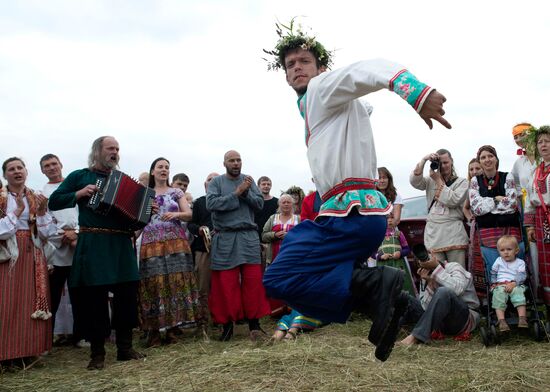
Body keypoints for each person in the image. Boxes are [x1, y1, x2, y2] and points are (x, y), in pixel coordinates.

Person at [262, 20, 451, 361]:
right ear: (285, 75)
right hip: (358, 218)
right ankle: (391, 304)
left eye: (304, 61)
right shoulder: (323, 106)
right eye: (290, 65)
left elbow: (367, 70)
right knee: (318, 278)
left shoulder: (320, 90)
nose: (297, 68)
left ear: (321, 68)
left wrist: (416, 93)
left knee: (280, 275)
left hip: (348, 216)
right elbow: (359, 105)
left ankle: (376, 286)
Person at [48, 136, 145, 370]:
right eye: (110, 148)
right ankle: (98, 353)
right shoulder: (79, 176)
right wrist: (79, 193)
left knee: (126, 295)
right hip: (94, 241)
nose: (115, 152)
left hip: (121, 243)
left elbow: (138, 214)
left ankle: (124, 348)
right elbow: (54, 201)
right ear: (97, 151)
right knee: (95, 299)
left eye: (117, 149)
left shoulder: (122, 181)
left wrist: (145, 214)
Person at [206, 150, 270, 341]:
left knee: (253, 282)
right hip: (225, 237)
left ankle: (254, 325)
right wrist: (237, 192)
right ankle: (227, 327)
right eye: (231, 160)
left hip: (248, 236)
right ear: (224, 163)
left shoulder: (249, 180)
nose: (235, 163)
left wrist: (245, 193)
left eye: (238, 160)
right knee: (226, 283)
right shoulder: (216, 183)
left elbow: (259, 204)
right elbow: (211, 204)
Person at [138, 157, 202, 347]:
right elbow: (137, 221)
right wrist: (147, 212)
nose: (164, 170)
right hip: (152, 242)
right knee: (154, 283)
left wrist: (176, 214)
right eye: (160, 167)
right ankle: (155, 331)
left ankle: (174, 329)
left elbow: (190, 214)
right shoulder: (144, 194)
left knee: (177, 282)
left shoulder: (176, 192)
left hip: (175, 240)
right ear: (152, 171)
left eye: (167, 167)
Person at [0, 157, 55, 368]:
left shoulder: (36, 197)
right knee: (8, 303)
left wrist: (41, 213)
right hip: (8, 254)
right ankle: (6, 354)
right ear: (5, 175)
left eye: (20, 167)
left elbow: (47, 233)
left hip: (32, 253)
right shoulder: (1, 198)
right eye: (11, 169)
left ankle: (27, 351)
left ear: (26, 171)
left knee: (29, 302)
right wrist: (16, 211)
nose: (17, 172)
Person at [40, 153, 82, 347]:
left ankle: (80, 335)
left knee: (79, 295)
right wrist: (62, 236)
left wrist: (76, 233)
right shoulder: (42, 194)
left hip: (78, 246)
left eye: (54, 163)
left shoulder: (75, 188)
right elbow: (44, 220)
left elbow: (84, 214)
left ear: (61, 164)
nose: (51, 167)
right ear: (42, 170)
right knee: (53, 296)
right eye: (47, 165)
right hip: (56, 251)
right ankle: (46, 338)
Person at [400, 246, 480, 346]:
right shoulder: (425, 276)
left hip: (463, 318)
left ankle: (415, 337)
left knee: (443, 291)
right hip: (441, 323)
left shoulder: (453, 266)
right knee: (403, 296)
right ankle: (390, 333)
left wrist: (437, 268)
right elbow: (425, 308)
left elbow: (458, 289)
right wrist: (429, 282)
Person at [410, 149, 469, 267]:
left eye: (446, 162)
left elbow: (453, 201)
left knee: (458, 272)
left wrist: (438, 180)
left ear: (452, 162)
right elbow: (414, 182)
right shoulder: (429, 180)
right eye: (440, 163)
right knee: (436, 273)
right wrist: (424, 159)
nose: (443, 166)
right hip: (434, 232)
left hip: (454, 233)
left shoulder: (462, 182)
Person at [469, 145, 522, 272]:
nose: (487, 159)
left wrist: (486, 206)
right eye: (483, 157)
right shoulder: (475, 181)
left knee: (516, 271)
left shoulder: (507, 176)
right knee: (494, 272)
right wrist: (495, 199)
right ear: (479, 161)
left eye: (490, 156)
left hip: (510, 231)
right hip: (487, 234)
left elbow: (511, 204)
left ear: (496, 159)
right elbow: (475, 208)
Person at [510, 122, 539, 291]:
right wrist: (520, 195)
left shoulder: (543, 156)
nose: (519, 139)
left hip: (546, 205)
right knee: (533, 245)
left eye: (521, 135)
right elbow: (513, 182)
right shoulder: (518, 163)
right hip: (528, 207)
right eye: (515, 137)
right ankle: (538, 290)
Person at [524, 125, 550, 309]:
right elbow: (530, 202)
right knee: (545, 263)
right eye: (540, 141)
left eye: (547, 141)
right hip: (541, 219)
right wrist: (530, 226)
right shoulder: (535, 172)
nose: (543, 145)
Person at [188, 172, 219, 312]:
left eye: (216, 180)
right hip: (203, 249)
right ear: (205, 185)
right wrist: (199, 229)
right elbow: (191, 224)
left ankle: (224, 317)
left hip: (225, 249)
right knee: (203, 284)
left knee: (224, 284)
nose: (212, 182)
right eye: (210, 180)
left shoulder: (228, 201)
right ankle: (204, 318)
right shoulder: (199, 202)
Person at [490, 235, 528, 332]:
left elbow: (522, 275)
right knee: (498, 295)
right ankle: (501, 320)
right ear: (499, 252)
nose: (506, 252)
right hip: (500, 284)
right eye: (502, 250)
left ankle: (522, 318)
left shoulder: (520, 262)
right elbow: (493, 273)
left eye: (509, 249)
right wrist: (494, 283)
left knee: (518, 293)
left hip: (515, 284)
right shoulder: (498, 261)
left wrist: (514, 283)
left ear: (516, 251)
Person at [374, 214, 415, 296]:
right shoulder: (377, 234)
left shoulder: (399, 234)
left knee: (403, 286)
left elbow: (407, 249)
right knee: (386, 287)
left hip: (398, 265)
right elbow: (372, 253)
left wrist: (400, 253)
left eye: (392, 217)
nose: (389, 220)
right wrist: (380, 256)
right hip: (383, 266)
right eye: (386, 218)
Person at [261, 194, 300, 266]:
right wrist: (274, 235)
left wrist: (290, 235)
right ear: (279, 204)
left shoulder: (298, 219)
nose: (286, 204)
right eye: (283, 202)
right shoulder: (273, 218)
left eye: (288, 202)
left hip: (293, 259)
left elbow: (303, 237)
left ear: (292, 204)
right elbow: (263, 236)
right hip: (274, 259)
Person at [463, 158, 482, 222]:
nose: (474, 172)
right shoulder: (470, 188)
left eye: (477, 168)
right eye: (471, 169)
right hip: (479, 226)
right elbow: (465, 208)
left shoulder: (491, 183)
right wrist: (470, 218)